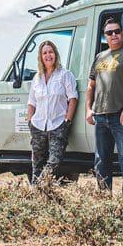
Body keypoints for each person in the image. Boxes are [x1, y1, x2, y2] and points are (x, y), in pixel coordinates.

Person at [85, 16, 123, 201]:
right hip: (101, 116)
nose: (114, 35)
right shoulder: (99, 57)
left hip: (122, 116)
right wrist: (89, 109)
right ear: (104, 36)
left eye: (117, 31)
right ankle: (104, 199)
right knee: (101, 160)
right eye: (109, 32)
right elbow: (91, 85)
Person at [26, 40, 78, 184]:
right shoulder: (37, 78)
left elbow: (72, 99)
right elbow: (31, 102)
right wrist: (30, 122)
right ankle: (38, 196)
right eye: (44, 53)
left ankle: (37, 188)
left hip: (58, 125)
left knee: (54, 161)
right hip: (38, 125)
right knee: (36, 163)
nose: (48, 55)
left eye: (50, 52)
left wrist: (67, 121)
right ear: (40, 57)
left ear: (55, 54)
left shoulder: (65, 75)